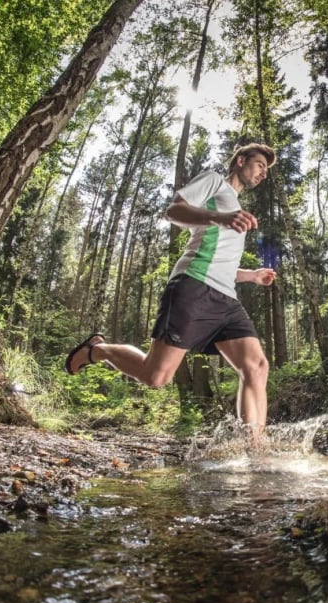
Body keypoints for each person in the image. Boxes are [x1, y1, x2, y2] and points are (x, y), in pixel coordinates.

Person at [65, 143, 278, 443]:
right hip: (193, 286)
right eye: (259, 165)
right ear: (240, 161)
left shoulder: (238, 210)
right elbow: (173, 210)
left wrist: (251, 276)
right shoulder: (215, 183)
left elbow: (223, 263)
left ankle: (254, 449)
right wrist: (220, 218)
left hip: (226, 298)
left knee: (256, 366)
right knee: (157, 376)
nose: (262, 173)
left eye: (265, 170)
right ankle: (96, 350)